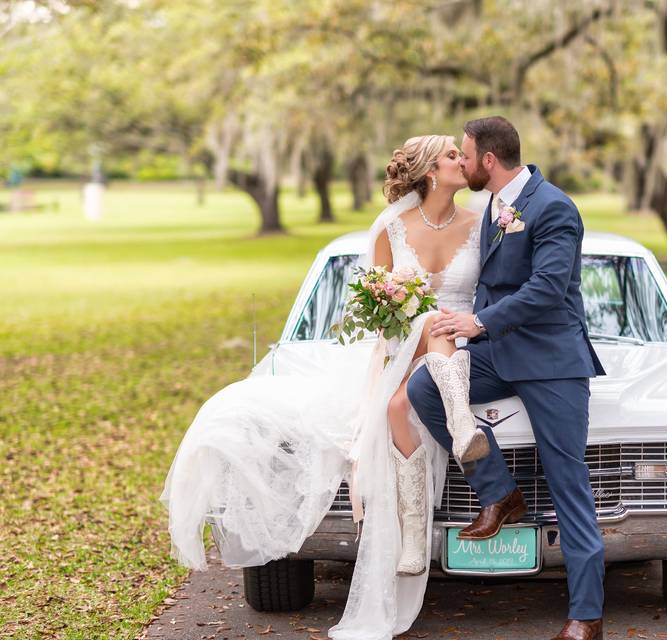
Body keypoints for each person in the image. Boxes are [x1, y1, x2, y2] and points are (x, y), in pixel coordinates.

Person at [161, 134, 485, 640]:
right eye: (451, 156)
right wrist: (397, 326)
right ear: (428, 171)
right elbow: (371, 313)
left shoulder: (482, 224)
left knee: (416, 373)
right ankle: (423, 510)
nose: (462, 163)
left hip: (464, 349)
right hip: (400, 348)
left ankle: (421, 524)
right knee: (398, 393)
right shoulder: (390, 229)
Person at [407, 116, 607, 640]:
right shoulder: (494, 206)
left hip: (551, 360)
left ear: (489, 162)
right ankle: (500, 492)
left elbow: (547, 287)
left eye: (466, 156)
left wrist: (478, 323)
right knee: (426, 386)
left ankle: (586, 617)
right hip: (498, 352)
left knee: (569, 480)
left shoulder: (554, 206)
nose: (463, 163)